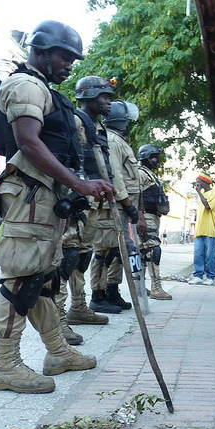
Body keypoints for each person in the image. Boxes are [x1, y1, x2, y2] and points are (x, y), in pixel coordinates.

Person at [0, 20, 115, 394]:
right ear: (41, 49)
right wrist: (79, 183)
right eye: (65, 56)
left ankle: (58, 352)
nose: (70, 64)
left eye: (74, 58)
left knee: (43, 279)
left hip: (44, 200)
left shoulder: (43, 89)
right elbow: (27, 142)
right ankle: (5, 366)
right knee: (20, 280)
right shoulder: (25, 85)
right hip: (29, 199)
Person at [55, 76, 116, 346]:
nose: (108, 101)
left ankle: (78, 307)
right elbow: (68, 161)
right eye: (104, 96)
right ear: (89, 96)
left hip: (92, 202)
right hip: (76, 201)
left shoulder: (95, 126)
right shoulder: (76, 121)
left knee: (82, 257)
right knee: (66, 259)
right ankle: (57, 321)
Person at [90, 99, 145, 313]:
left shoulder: (119, 141)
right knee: (103, 252)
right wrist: (127, 203)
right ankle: (98, 295)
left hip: (122, 207)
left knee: (117, 251)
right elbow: (115, 176)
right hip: (113, 205)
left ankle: (112, 291)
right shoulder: (112, 140)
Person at [137, 144, 172, 300]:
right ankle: (156, 288)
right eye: (154, 157)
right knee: (152, 250)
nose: (157, 160)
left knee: (145, 252)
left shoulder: (150, 174)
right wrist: (140, 217)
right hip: (146, 216)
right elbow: (135, 195)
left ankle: (141, 288)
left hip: (153, 216)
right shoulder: (140, 173)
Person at [189, 172, 215, 286]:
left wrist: (199, 193)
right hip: (199, 228)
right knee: (198, 253)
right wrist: (199, 194)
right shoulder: (201, 194)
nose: (197, 183)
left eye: (198, 180)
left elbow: (208, 206)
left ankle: (211, 277)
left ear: (205, 182)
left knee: (210, 254)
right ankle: (198, 276)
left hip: (210, 228)